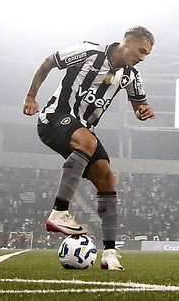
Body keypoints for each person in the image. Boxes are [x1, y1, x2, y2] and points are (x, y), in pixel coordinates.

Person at [23, 26, 156, 271]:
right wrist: (31, 97)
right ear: (126, 41)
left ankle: (110, 254)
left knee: (107, 177)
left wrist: (143, 112)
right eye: (140, 50)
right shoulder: (88, 52)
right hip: (54, 117)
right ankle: (59, 213)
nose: (142, 57)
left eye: (146, 54)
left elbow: (140, 104)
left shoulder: (131, 75)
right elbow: (48, 62)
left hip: (82, 129)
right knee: (88, 142)